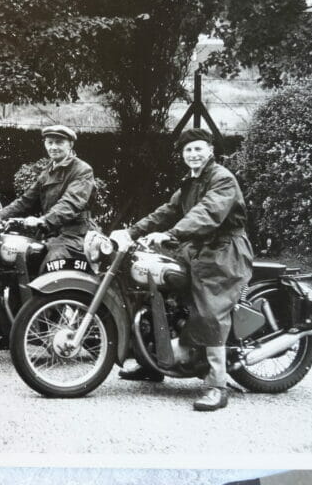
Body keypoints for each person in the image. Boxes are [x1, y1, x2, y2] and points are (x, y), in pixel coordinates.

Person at [111, 128, 253, 412]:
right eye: (188, 150)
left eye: (198, 149)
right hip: (197, 248)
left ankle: (216, 385)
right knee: (154, 284)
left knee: (209, 310)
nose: (193, 154)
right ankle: (153, 364)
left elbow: (209, 213)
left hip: (224, 251)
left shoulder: (222, 178)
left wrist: (172, 234)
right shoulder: (191, 182)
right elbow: (167, 210)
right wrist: (132, 231)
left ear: (210, 150)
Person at [0, 124, 97, 270]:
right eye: (49, 142)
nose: (53, 147)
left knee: (51, 266)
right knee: (18, 254)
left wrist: (43, 221)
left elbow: (70, 203)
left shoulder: (82, 170)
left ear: (71, 145)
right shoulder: (48, 170)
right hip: (51, 233)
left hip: (75, 234)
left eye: (59, 142)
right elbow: (25, 201)